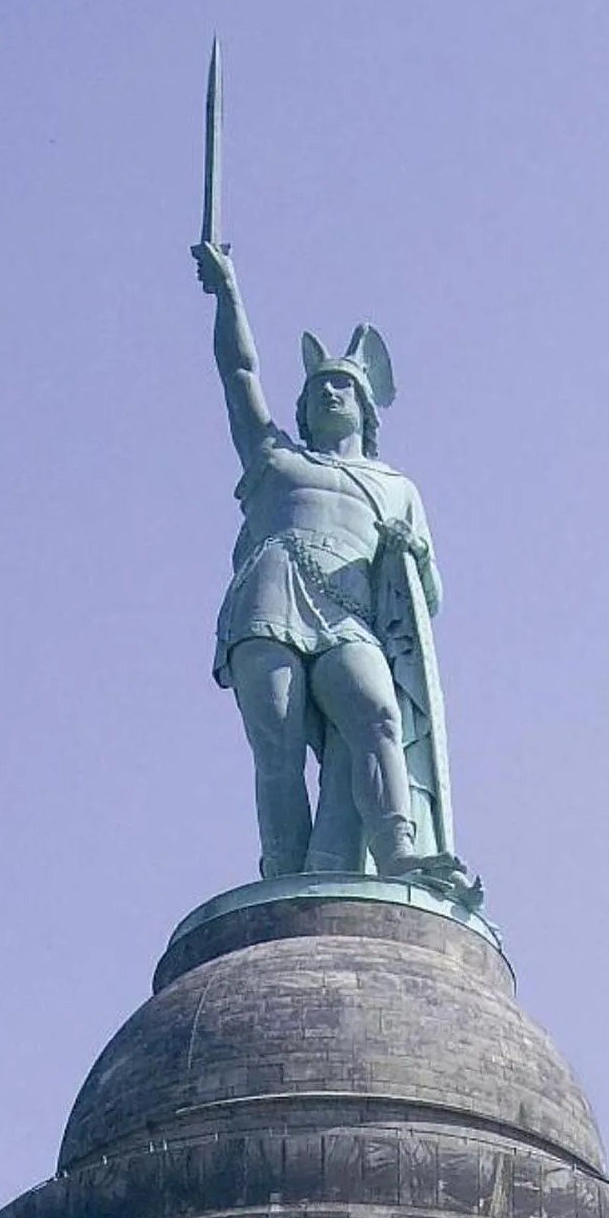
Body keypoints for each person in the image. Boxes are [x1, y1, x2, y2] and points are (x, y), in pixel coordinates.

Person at [194, 240, 468, 891]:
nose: (331, 393)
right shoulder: (276, 461)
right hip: (272, 593)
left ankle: (397, 849)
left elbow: (427, 596)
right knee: (278, 745)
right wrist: (228, 292)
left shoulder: (396, 486)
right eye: (320, 386)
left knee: (376, 713)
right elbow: (238, 373)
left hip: (352, 616)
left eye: (342, 385)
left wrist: (408, 551)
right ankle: (284, 873)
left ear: (366, 409)